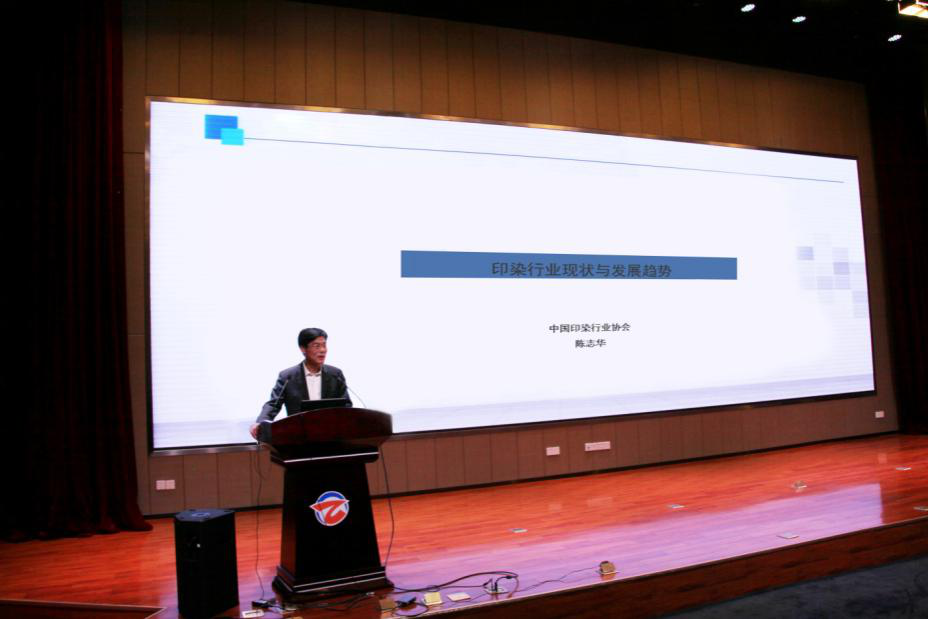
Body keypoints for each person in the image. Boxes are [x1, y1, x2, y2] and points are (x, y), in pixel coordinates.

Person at [250, 327, 352, 439]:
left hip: (330, 437)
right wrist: (260, 422)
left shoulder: (335, 374)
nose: (323, 350)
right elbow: (273, 405)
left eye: (324, 345)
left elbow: (346, 405)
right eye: (317, 346)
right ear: (303, 348)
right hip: (298, 438)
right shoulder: (287, 377)